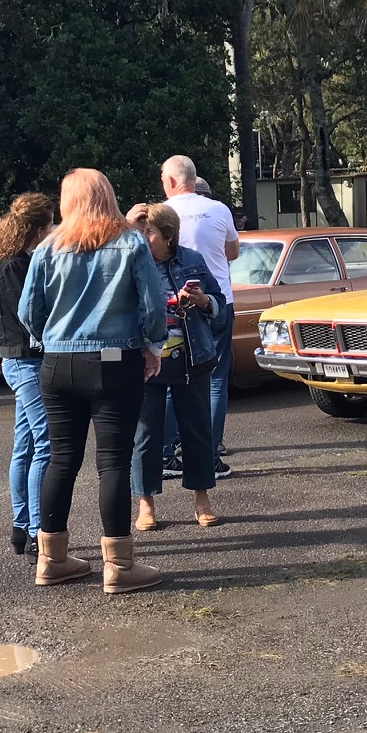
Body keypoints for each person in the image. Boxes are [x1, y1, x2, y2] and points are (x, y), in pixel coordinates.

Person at [18, 168, 169, 594]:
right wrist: (153, 346)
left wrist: (49, 340)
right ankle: (118, 567)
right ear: (108, 197)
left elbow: (28, 311)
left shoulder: (48, 246)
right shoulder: (130, 243)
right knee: (113, 462)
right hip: (114, 361)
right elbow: (154, 306)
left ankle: (51, 561)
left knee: (61, 459)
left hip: (58, 364)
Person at [127, 202, 226, 533]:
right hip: (146, 361)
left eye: (150, 232)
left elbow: (218, 303)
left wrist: (203, 301)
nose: (144, 238)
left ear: (168, 236)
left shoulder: (192, 259)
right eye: (140, 232)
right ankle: (146, 504)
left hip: (191, 357)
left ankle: (202, 500)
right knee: (145, 436)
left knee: (197, 432)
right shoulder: (132, 261)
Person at [0, 193, 55, 558]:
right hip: (25, 360)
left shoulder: (9, 260)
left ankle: (21, 526)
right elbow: (29, 315)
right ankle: (38, 529)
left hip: (19, 359)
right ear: (38, 228)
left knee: (25, 444)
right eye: (50, 224)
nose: (53, 230)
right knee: (45, 444)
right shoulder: (15, 265)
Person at [160, 156, 240, 477]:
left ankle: (166, 454)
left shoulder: (161, 214)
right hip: (217, 300)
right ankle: (210, 455)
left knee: (171, 378)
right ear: (194, 180)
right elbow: (232, 252)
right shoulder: (219, 209)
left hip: (174, 304)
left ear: (170, 181)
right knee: (216, 380)